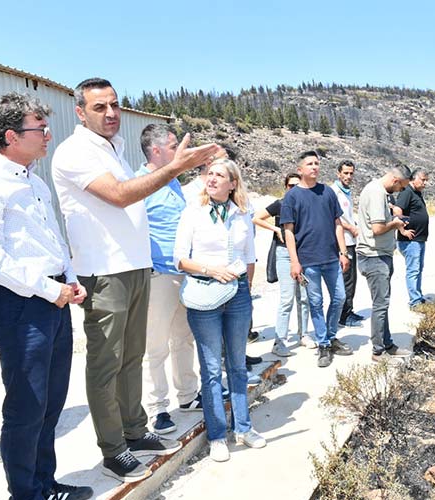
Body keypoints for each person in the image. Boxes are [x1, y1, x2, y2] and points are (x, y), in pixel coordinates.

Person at [51, 77, 219, 482]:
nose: (110, 113)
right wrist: (176, 167)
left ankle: (134, 430)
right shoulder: (74, 151)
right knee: (106, 362)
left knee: (131, 357)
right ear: (80, 112)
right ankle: (113, 450)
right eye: (99, 107)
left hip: (135, 265)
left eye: (114, 104)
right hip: (104, 272)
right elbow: (122, 195)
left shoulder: (114, 149)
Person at [0, 92, 91, 499]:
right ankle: (27, 492)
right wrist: (51, 289)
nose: (48, 134)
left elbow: (51, 236)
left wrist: (69, 278)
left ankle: (45, 483)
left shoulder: (35, 179)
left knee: (51, 403)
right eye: (40, 127)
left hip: (53, 300)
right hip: (20, 305)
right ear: (13, 136)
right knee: (26, 407)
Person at [173, 159, 267, 462]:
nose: (211, 179)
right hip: (204, 295)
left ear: (233, 183)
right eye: (209, 173)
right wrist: (211, 270)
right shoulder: (193, 213)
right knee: (212, 370)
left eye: (219, 175)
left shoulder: (242, 215)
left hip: (237, 294)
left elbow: (250, 256)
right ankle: (216, 436)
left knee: (238, 366)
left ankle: (243, 427)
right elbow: (179, 260)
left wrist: (247, 292)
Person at [136, 124, 200, 435]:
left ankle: (187, 395)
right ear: (157, 150)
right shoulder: (140, 184)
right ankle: (157, 408)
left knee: (183, 339)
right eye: (175, 146)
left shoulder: (174, 182)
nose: (181, 151)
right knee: (156, 346)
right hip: (158, 276)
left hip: (182, 273)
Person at [280, 152, 353, 368]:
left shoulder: (328, 192)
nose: (314, 167)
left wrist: (343, 252)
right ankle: (323, 343)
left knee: (339, 298)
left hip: (331, 258)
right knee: (316, 302)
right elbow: (289, 232)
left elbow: (337, 224)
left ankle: (330, 337)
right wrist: (294, 261)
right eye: (309, 164)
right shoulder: (292, 197)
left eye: (317, 163)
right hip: (308, 261)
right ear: (300, 169)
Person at [357, 164, 414, 360]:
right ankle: (378, 350)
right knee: (380, 304)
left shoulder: (380, 192)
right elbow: (378, 229)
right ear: (395, 180)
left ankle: (387, 343)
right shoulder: (376, 193)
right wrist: (396, 223)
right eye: (402, 186)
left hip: (381, 255)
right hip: (374, 257)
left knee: (383, 302)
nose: (401, 191)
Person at [253, 174, 311, 354]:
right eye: (290, 185)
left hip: (303, 254)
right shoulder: (280, 203)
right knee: (287, 298)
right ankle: (280, 341)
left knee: (304, 297)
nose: (293, 189)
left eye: (297, 185)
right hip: (284, 253)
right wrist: (276, 228)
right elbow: (257, 218)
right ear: (285, 187)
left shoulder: (306, 203)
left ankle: (303, 335)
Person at [331, 160, 364, 328]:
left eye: (351, 173)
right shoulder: (334, 191)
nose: (348, 176)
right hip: (342, 241)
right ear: (339, 173)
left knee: (352, 278)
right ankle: (343, 315)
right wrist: (350, 227)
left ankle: (349, 310)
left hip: (351, 239)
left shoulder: (347, 192)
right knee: (346, 278)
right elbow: (334, 217)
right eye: (345, 173)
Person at [395, 169, 431, 308]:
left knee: (418, 269)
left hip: (419, 239)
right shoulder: (406, 192)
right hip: (410, 241)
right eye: (423, 179)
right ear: (413, 179)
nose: (425, 183)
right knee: (413, 270)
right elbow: (397, 210)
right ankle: (414, 301)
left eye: (426, 180)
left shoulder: (417, 193)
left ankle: (418, 296)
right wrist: (402, 230)